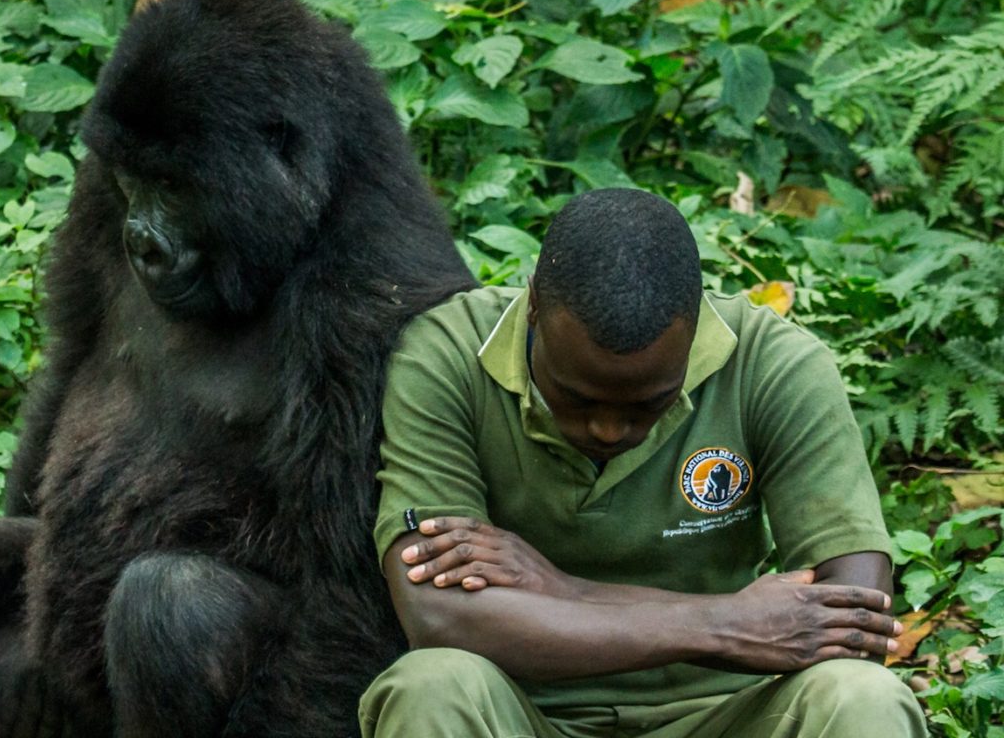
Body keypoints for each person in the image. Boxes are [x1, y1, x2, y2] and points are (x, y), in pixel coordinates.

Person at [359, 189, 927, 738]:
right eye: (576, 397)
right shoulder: (451, 355)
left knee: (862, 697)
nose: (608, 430)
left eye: (647, 404)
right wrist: (729, 623)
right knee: (430, 685)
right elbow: (440, 616)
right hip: (523, 714)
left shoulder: (772, 366)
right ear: (534, 304)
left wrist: (558, 591)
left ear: (696, 330)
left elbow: (856, 618)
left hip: (726, 713)